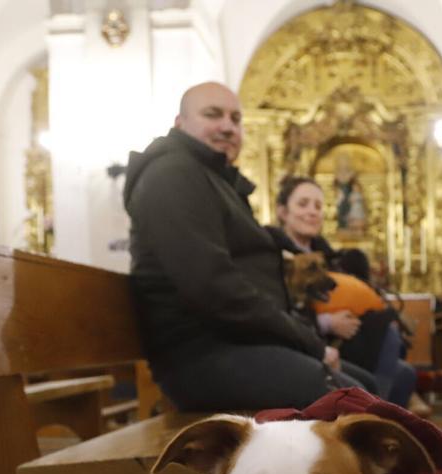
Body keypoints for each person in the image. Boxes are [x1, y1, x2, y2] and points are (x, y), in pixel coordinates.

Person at [125, 82, 374, 411]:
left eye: (236, 118)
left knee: (367, 388)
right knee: (361, 407)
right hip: (201, 357)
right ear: (179, 123)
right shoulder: (173, 174)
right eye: (213, 114)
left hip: (235, 344)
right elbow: (214, 288)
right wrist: (309, 342)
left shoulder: (210, 178)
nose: (228, 126)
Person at [265, 176, 415, 409]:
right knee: (391, 345)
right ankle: (372, 418)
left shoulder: (329, 255)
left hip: (347, 338)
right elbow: (277, 308)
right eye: (303, 204)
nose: (312, 212)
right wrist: (326, 322)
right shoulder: (272, 252)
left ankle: (380, 421)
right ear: (283, 212)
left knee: (405, 373)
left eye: (318, 206)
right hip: (310, 341)